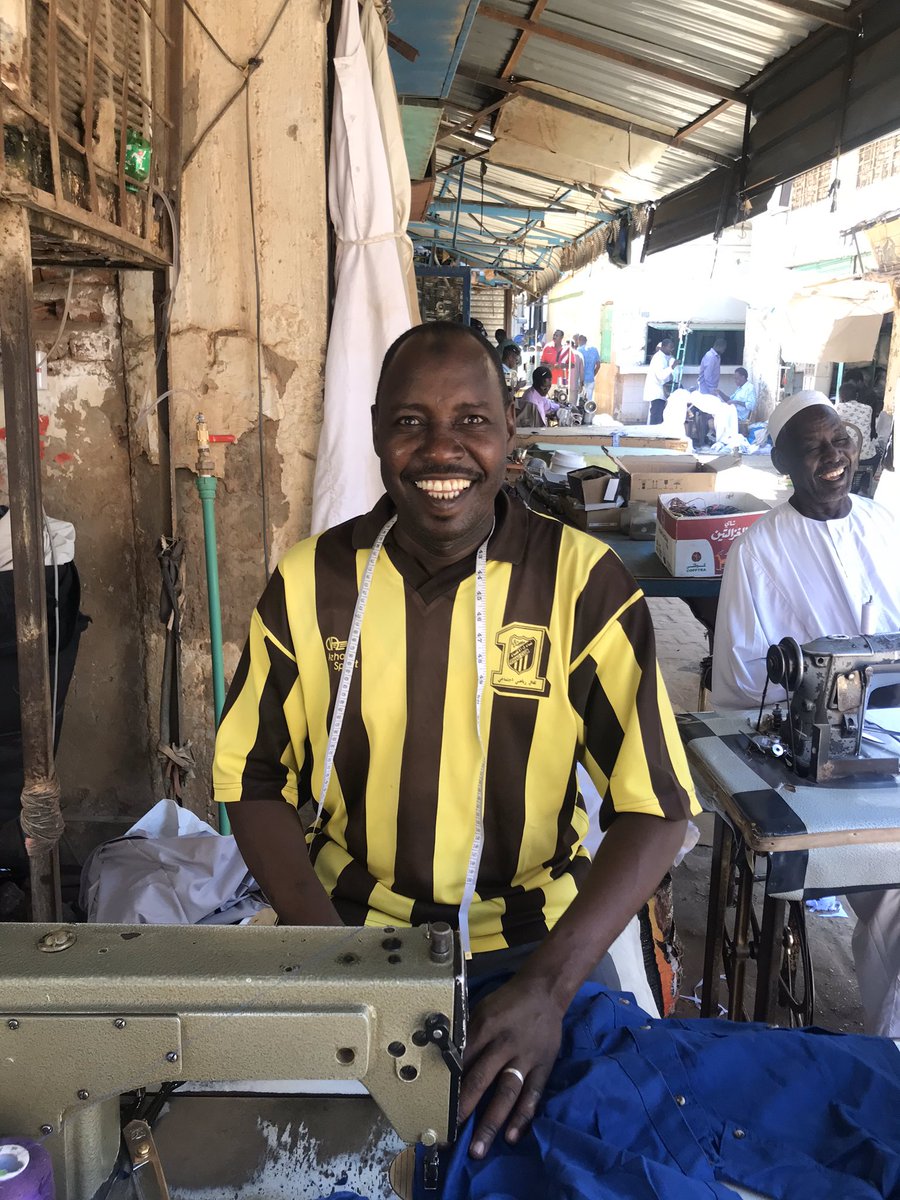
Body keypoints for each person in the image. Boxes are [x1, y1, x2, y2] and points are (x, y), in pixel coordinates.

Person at [214, 321, 695, 1159]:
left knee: (583, 1153)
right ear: (376, 433)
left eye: (471, 420)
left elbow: (655, 808)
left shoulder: (584, 584)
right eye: (411, 422)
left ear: (510, 430)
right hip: (349, 932)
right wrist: (333, 955)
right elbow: (250, 779)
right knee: (301, 1156)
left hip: (534, 948)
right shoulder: (309, 584)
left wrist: (550, 988)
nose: (442, 450)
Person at [710, 390, 900, 1037]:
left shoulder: (884, 523)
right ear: (783, 463)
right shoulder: (759, 550)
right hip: (824, 754)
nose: (832, 455)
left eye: (839, 439)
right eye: (812, 447)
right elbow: (743, 682)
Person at [690, 337, 738, 443]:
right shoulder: (710, 357)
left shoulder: (716, 357)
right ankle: (706, 438)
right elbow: (707, 376)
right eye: (724, 348)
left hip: (710, 390)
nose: (724, 350)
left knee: (719, 412)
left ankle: (712, 436)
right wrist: (712, 390)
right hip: (706, 391)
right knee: (712, 413)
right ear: (720, 346)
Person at [834, 380, 878, 461]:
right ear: (856, 395)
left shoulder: (837, 408)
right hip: (865, 455)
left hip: (842, 456)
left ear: (840, 396)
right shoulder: (868, 409)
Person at [643, 337, 675, 425]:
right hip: (657, 392)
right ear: (663, 347)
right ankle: (653, 433)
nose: (671, 350)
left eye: (672, 348)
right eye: (670, 347)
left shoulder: (667, 357)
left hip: (663, 392)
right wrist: (672, 367)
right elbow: (661, 376)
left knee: (660, 416)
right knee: (656, 417)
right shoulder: (658, 358)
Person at [576, 334, 601, 405]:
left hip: (580, 380)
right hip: (590, 379)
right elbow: (598, 365)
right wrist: (593, 374)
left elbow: (577, 366)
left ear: (579, 341)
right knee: (588, 402)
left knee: (578, 401)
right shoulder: (594, 350)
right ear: (586, 341)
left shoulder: (578, 350)